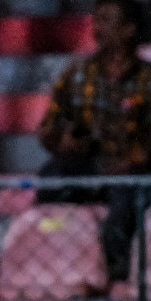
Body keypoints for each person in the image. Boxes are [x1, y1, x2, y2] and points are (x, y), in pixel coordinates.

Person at [37, 0, 151, 282]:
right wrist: (64, 143)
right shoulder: (77, 74)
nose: (97, 28)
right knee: (51, 178)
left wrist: (133, 159)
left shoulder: (148, 78)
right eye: (96, 20)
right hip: (88, 165)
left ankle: (114, 276)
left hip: (135, 172)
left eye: (107, 21)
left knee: (124, 205)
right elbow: (48, 129)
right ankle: (57, 267)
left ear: (128, 30)